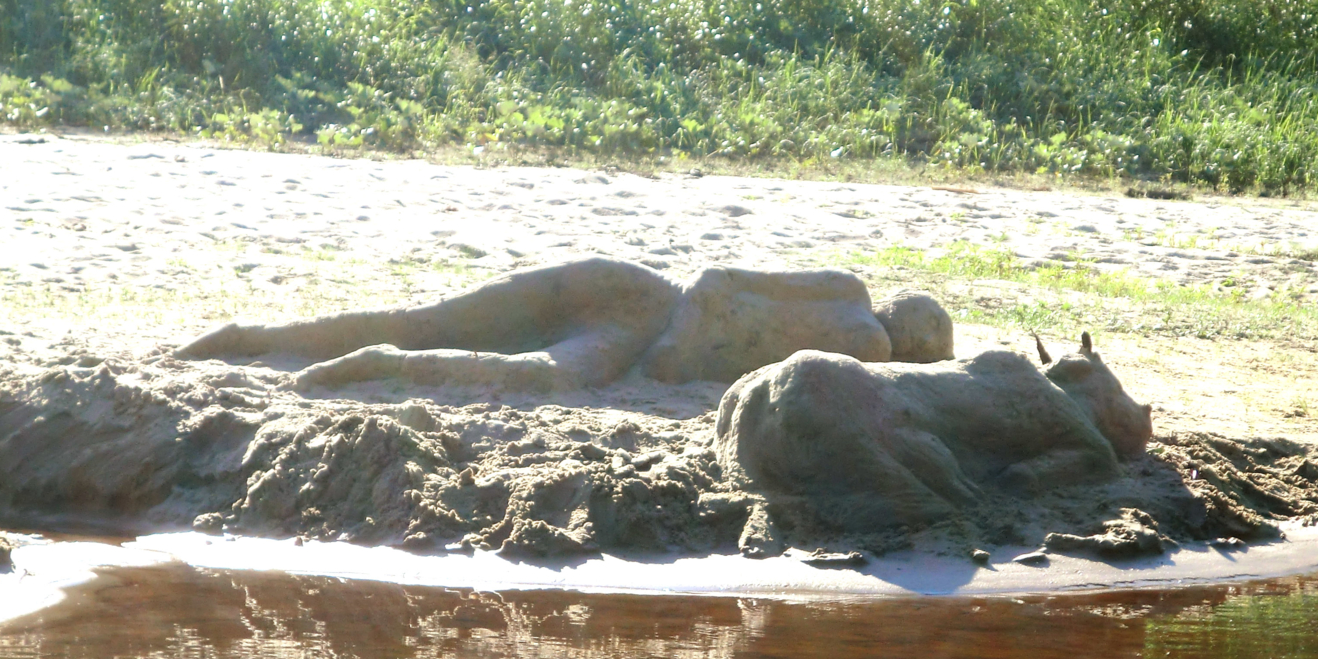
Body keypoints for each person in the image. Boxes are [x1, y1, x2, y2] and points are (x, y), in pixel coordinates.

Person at [178, 258, 954, 393]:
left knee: (434, 323)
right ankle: (265, 344)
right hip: (652, 332)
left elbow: (721, 283)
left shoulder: (852, 303)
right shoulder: (868, 339)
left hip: (645, 306)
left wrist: (686, 343)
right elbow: (725, 290)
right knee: (519, 362)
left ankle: (261, 341)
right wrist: (685, 353)